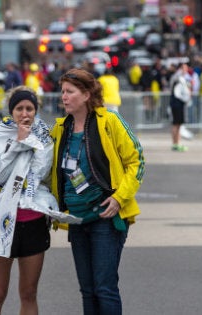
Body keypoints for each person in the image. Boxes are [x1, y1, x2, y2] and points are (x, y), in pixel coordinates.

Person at [50, 68, 145, 314]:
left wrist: (119, 198)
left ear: (87, 94)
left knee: (104, 288)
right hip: (77, 219)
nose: (64, 97)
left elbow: (137, 161)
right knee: (88, 290)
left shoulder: (109, 121)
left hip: (106, 218)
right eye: (62, 92)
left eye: (70, 92)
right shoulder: (61, 128)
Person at [0, 86, 53, 315]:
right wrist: (19, 143)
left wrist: (31, 140)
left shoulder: (43, 135)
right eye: (19, 108)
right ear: (12, 111)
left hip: (33, 220)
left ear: (36, 111)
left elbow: (41, 172)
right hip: (1, 220)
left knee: (29, 293)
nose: (25, 114)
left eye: (29, 108)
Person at [168, 63, 192, 151]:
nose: (186, 70)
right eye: (185, 68)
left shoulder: (178, 77)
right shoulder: (178, 78)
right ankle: (176, 143)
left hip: (177, 104)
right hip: (177, 104)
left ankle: (176, 143)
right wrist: (186, 97)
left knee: (177, 124)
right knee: (176, 124)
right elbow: (177, 93)